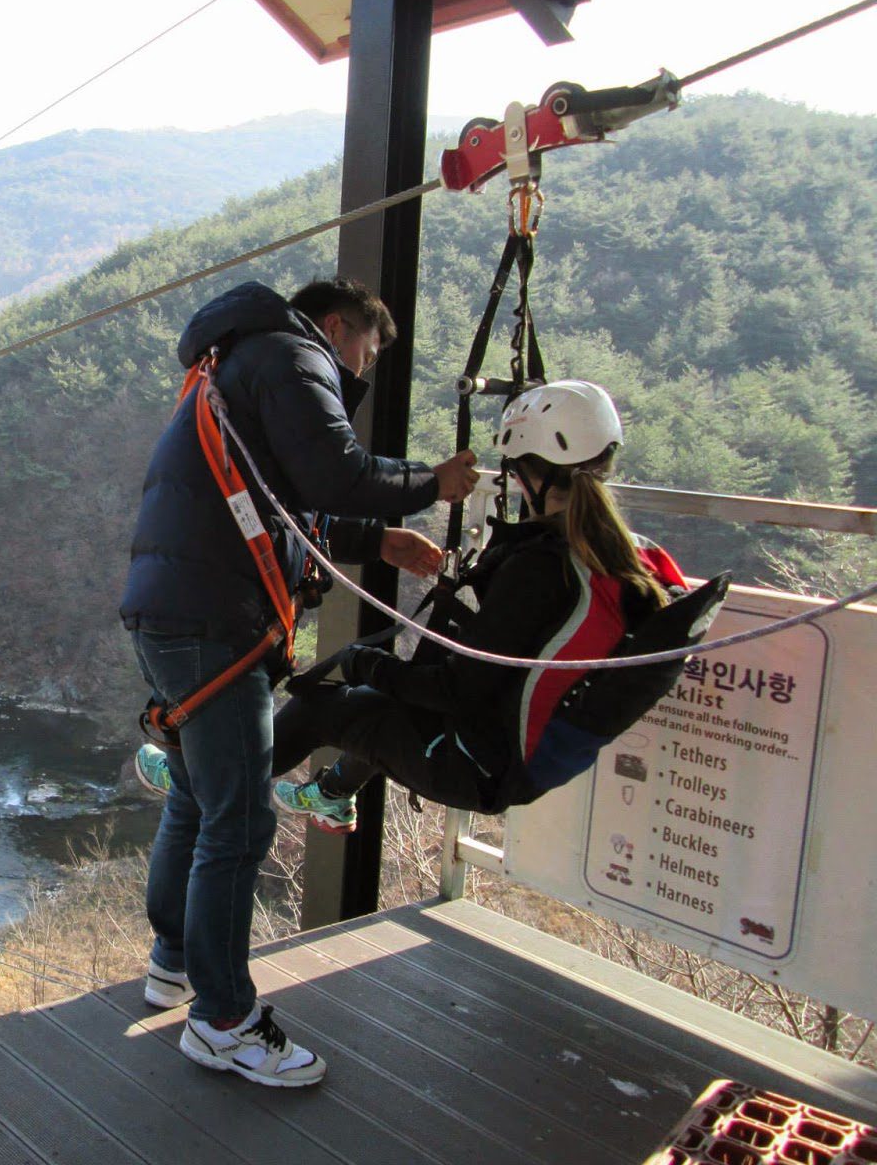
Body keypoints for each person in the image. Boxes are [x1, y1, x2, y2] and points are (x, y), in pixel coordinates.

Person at [118, 276, 478, 1088]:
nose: (361, 369)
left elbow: (286, 504)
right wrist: (432, 483)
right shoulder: (291, 353)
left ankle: (175, 965)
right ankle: (222, 1022)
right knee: (239, 821)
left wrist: (377, 541)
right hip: (215, 618)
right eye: (367, 350)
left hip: (178, 607)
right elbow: (334, 475)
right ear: (338, 324)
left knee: (197, 796)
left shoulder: (236, 361)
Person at [271, 379, 714, 833]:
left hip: (475, 764)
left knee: (320, 706)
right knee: (380, 697)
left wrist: (363, 662)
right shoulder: (622, 552)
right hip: (510, 752)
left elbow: (454, 690)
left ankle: (213, 782)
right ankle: (332, 794)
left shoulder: (542, 568)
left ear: (525, 475)